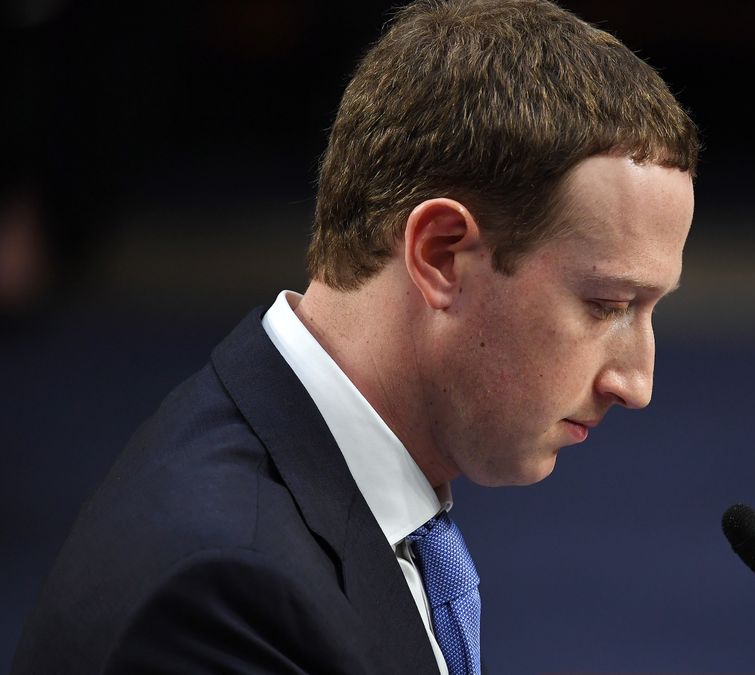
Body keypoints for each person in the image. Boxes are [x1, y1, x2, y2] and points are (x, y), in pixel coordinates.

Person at [10, 0, 698, 672]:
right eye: (607, 303)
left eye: (651, 310)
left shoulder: (311, 482)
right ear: (440, 256)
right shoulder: (226, 592)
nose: (637, 383)